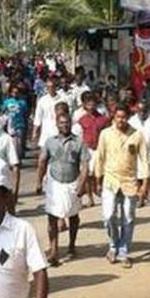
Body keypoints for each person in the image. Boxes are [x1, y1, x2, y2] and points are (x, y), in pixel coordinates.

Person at [94, 104, 149, 269]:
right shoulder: (105, 134)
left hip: (129, 182)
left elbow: (144, 160)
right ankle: (113, 245)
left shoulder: (137, 135)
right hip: (110, 180)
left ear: (128, 118)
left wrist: (144, 184)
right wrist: (97, 179)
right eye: (118, 117)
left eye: (124, 117)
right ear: (113, 117)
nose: (121, 120)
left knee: (128, 217)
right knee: (109, 215)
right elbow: (100, 158)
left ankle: (123, 250)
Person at [37, 110, 89, 264]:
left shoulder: (78, 142)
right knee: (52, 217)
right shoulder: (50, 141)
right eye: (61, 123)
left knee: (73, 216)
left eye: (67, 123)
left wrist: (81, 184)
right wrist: (39, 181)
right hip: (54, 183)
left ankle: (72, 245)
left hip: (72, 183)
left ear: (70, 124)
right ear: (57, 124)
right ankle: (54, 249)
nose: (64, 125)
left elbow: (85, 165)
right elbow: (42, 162)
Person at [75, 92, 110, 206]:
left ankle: (100, 191)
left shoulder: (103, 119)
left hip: (100, 148)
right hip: (87, 149)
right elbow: (78, 136)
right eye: (88, 103)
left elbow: (107, 134)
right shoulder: (81, 120)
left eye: (92, 102)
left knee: (100, 173)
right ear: (84, 105)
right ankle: (90, 197)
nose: (91, 105)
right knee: (88, 174)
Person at [129, 100, 150, 207]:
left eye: (144, 110)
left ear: (147, 110)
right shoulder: (131, 121)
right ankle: (140, 197)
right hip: (136, 153)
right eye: (140, 110)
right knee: (138, 175)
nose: (142, 112)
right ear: (136, 110)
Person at [32, 77, 64, 149]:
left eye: (52, 87)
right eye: (48, 87)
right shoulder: (42, 100)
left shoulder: (62, 99)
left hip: (58, 132)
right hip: (46, 132)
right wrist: (35, 132)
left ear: (56, 87)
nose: (50, 89)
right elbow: (38, 117)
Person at [1, 84, 29, 159]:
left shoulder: (23, 102)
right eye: (13, 92)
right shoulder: (7, 102)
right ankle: (10, 157)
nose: (15, 94)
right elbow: (3, 112)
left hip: (20, 124)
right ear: (10, 93)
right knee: (10, 142)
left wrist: (26, 124)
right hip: (9, 125)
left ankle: (18, 158)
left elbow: (26, 114)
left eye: (17, 92)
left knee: (19, 143)